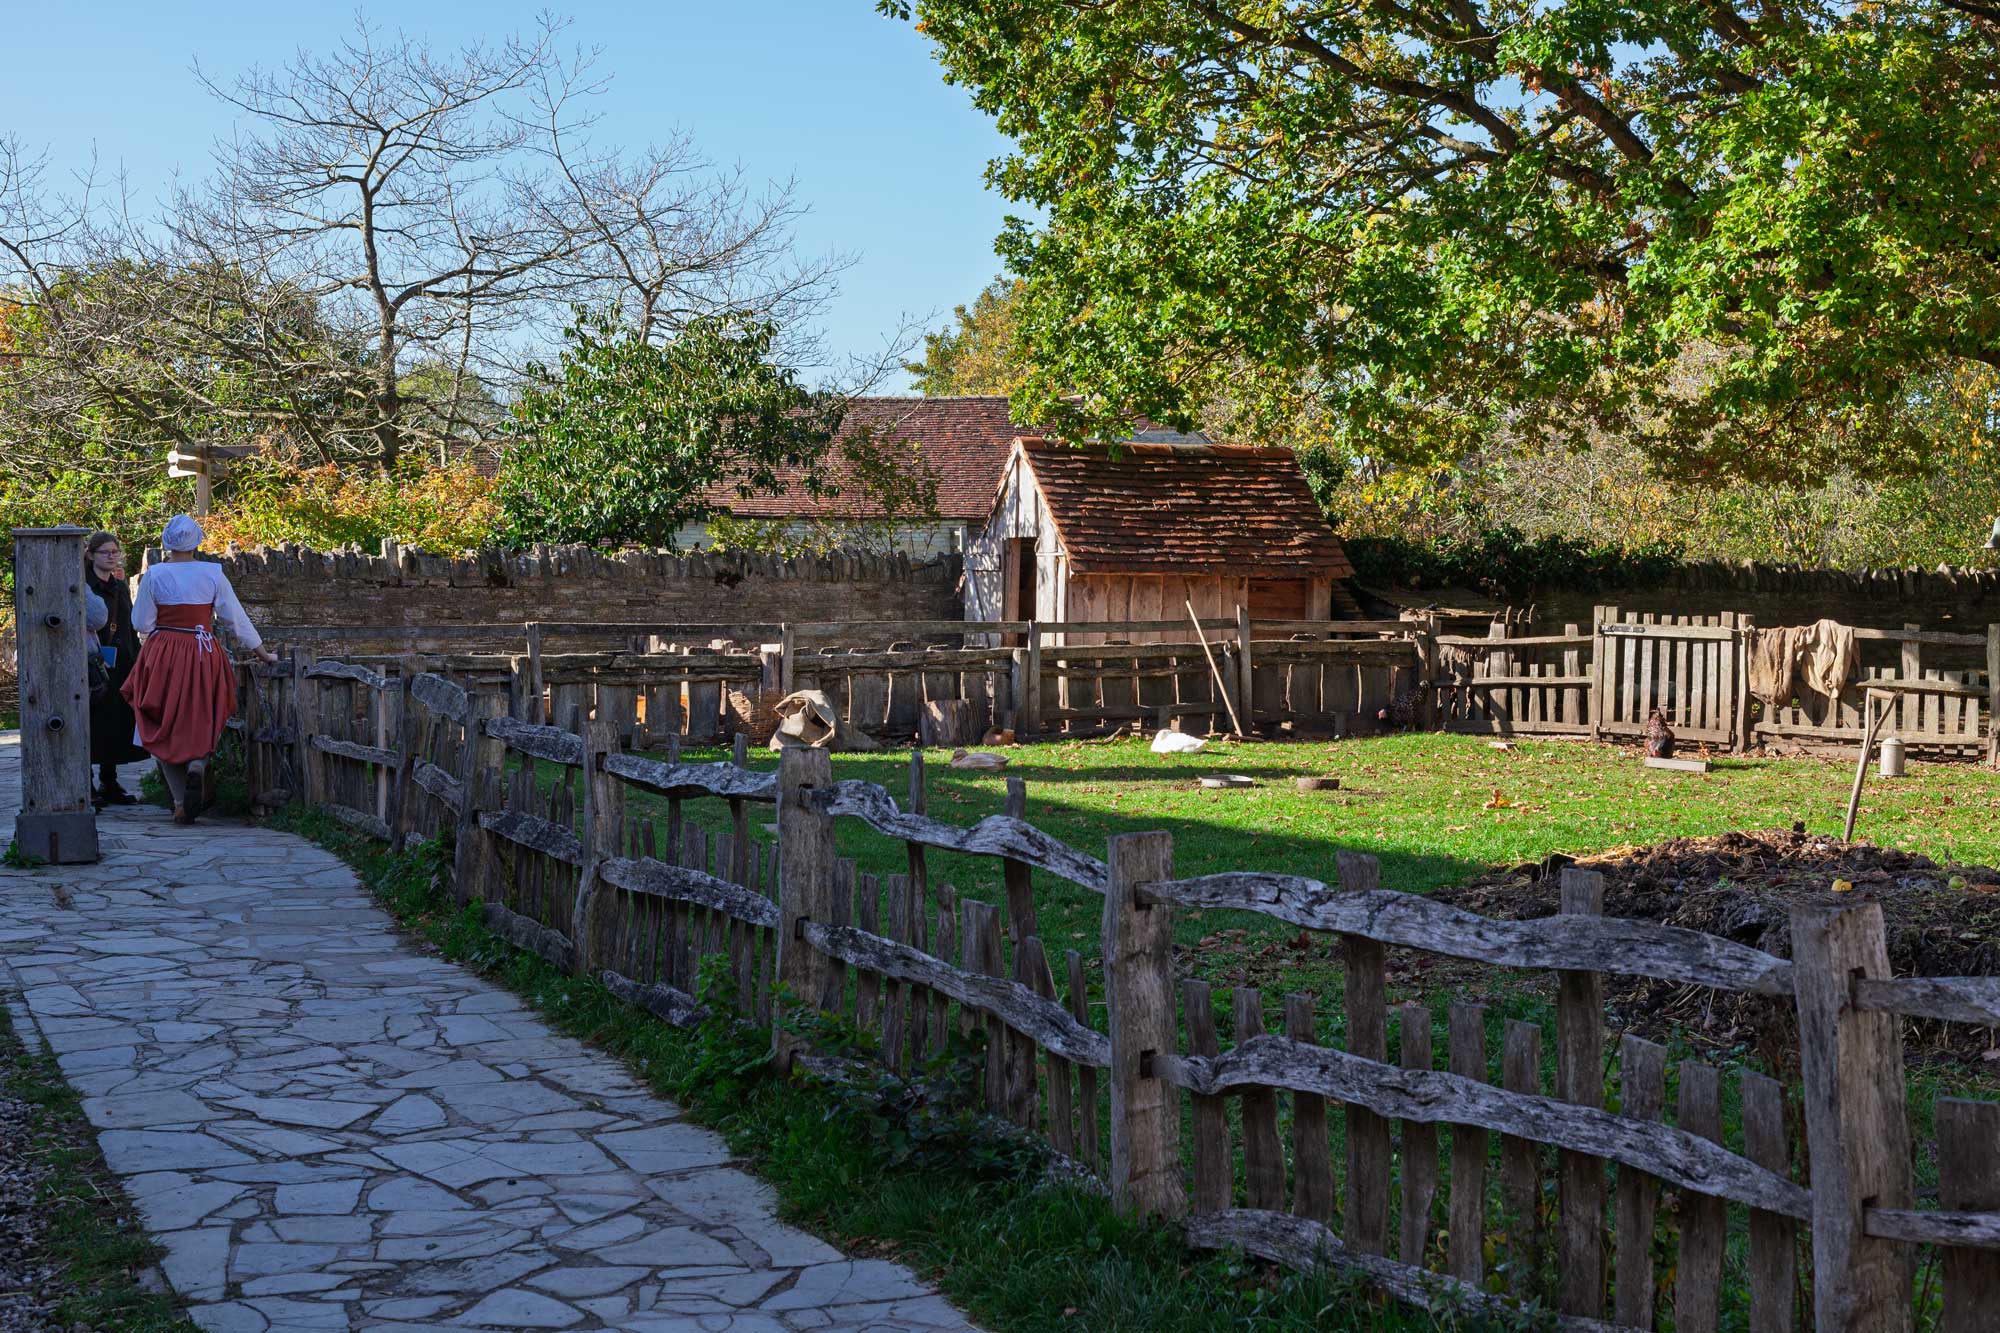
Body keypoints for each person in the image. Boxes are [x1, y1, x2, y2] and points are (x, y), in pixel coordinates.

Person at [122, 515, 279, 823]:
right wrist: (262, 653)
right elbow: (235, 618)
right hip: (201, 651)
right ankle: (197, 763)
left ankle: (180, 802)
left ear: (167, 542)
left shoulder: (154, 575)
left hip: (163, 653)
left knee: (161, 721)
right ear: (197, 542)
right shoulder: (213, 574)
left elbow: (141, 623)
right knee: (203, 715)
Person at [83, 531, 148, 806]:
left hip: (121, 661)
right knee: (91, 721)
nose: (111, 556)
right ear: (91, 555)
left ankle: (109, 779)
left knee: (117, 721)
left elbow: (129, 625)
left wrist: (138, 661)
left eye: (114, 552)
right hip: (94, 662)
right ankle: (85, 782)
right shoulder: (84, 586)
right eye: (105, 552)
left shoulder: (120, 586)